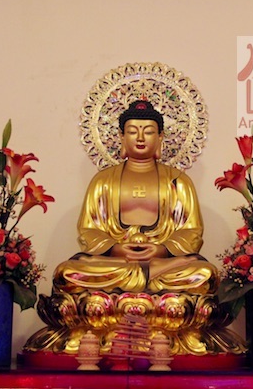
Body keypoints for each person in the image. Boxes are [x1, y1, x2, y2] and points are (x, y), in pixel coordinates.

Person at [53, 100, 217, 295]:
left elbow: (192, 231)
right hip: (117, 263)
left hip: (163, 262)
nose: (140, 138)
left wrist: (163, 250)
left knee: (205, 274)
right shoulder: (103, 181)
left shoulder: (178, 181)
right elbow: (88, 230)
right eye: (132, 132)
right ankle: (148, 277)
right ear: (121, 136)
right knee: (66, 273)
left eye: (148, 132)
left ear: (160, 137)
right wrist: (115, 249)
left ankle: (135, 281)